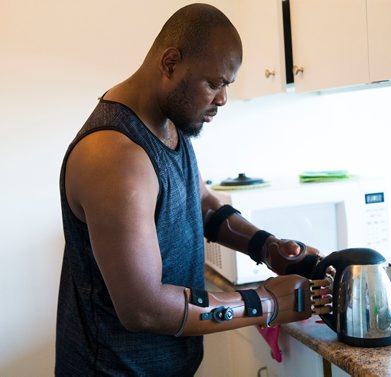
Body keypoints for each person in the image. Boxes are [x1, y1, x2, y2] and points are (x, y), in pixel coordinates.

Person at [56, 3, 332, 376]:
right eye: (214, 83)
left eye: (226, 85)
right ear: (170, 63)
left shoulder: (167, 122)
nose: (222, 99)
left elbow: (197, 202)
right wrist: (266, 303)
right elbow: (144, 308)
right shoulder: (115, 155)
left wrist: (266, 247)